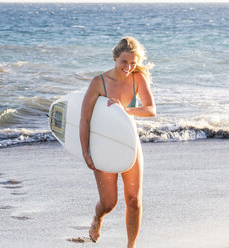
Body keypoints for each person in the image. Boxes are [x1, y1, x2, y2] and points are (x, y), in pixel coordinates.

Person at [79, 37, 156, 248]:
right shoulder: (99, 83)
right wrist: (85, 152)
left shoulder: (137, 78)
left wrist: (125, 109)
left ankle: (131, 245)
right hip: (103, 144)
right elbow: (84, 119)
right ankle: (98, 218)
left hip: (129, 142)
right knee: (109, 203)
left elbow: (151, 110)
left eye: (133, 63)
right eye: (124, 62)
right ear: (114, 58)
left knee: (134, 200)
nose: (128, 67)